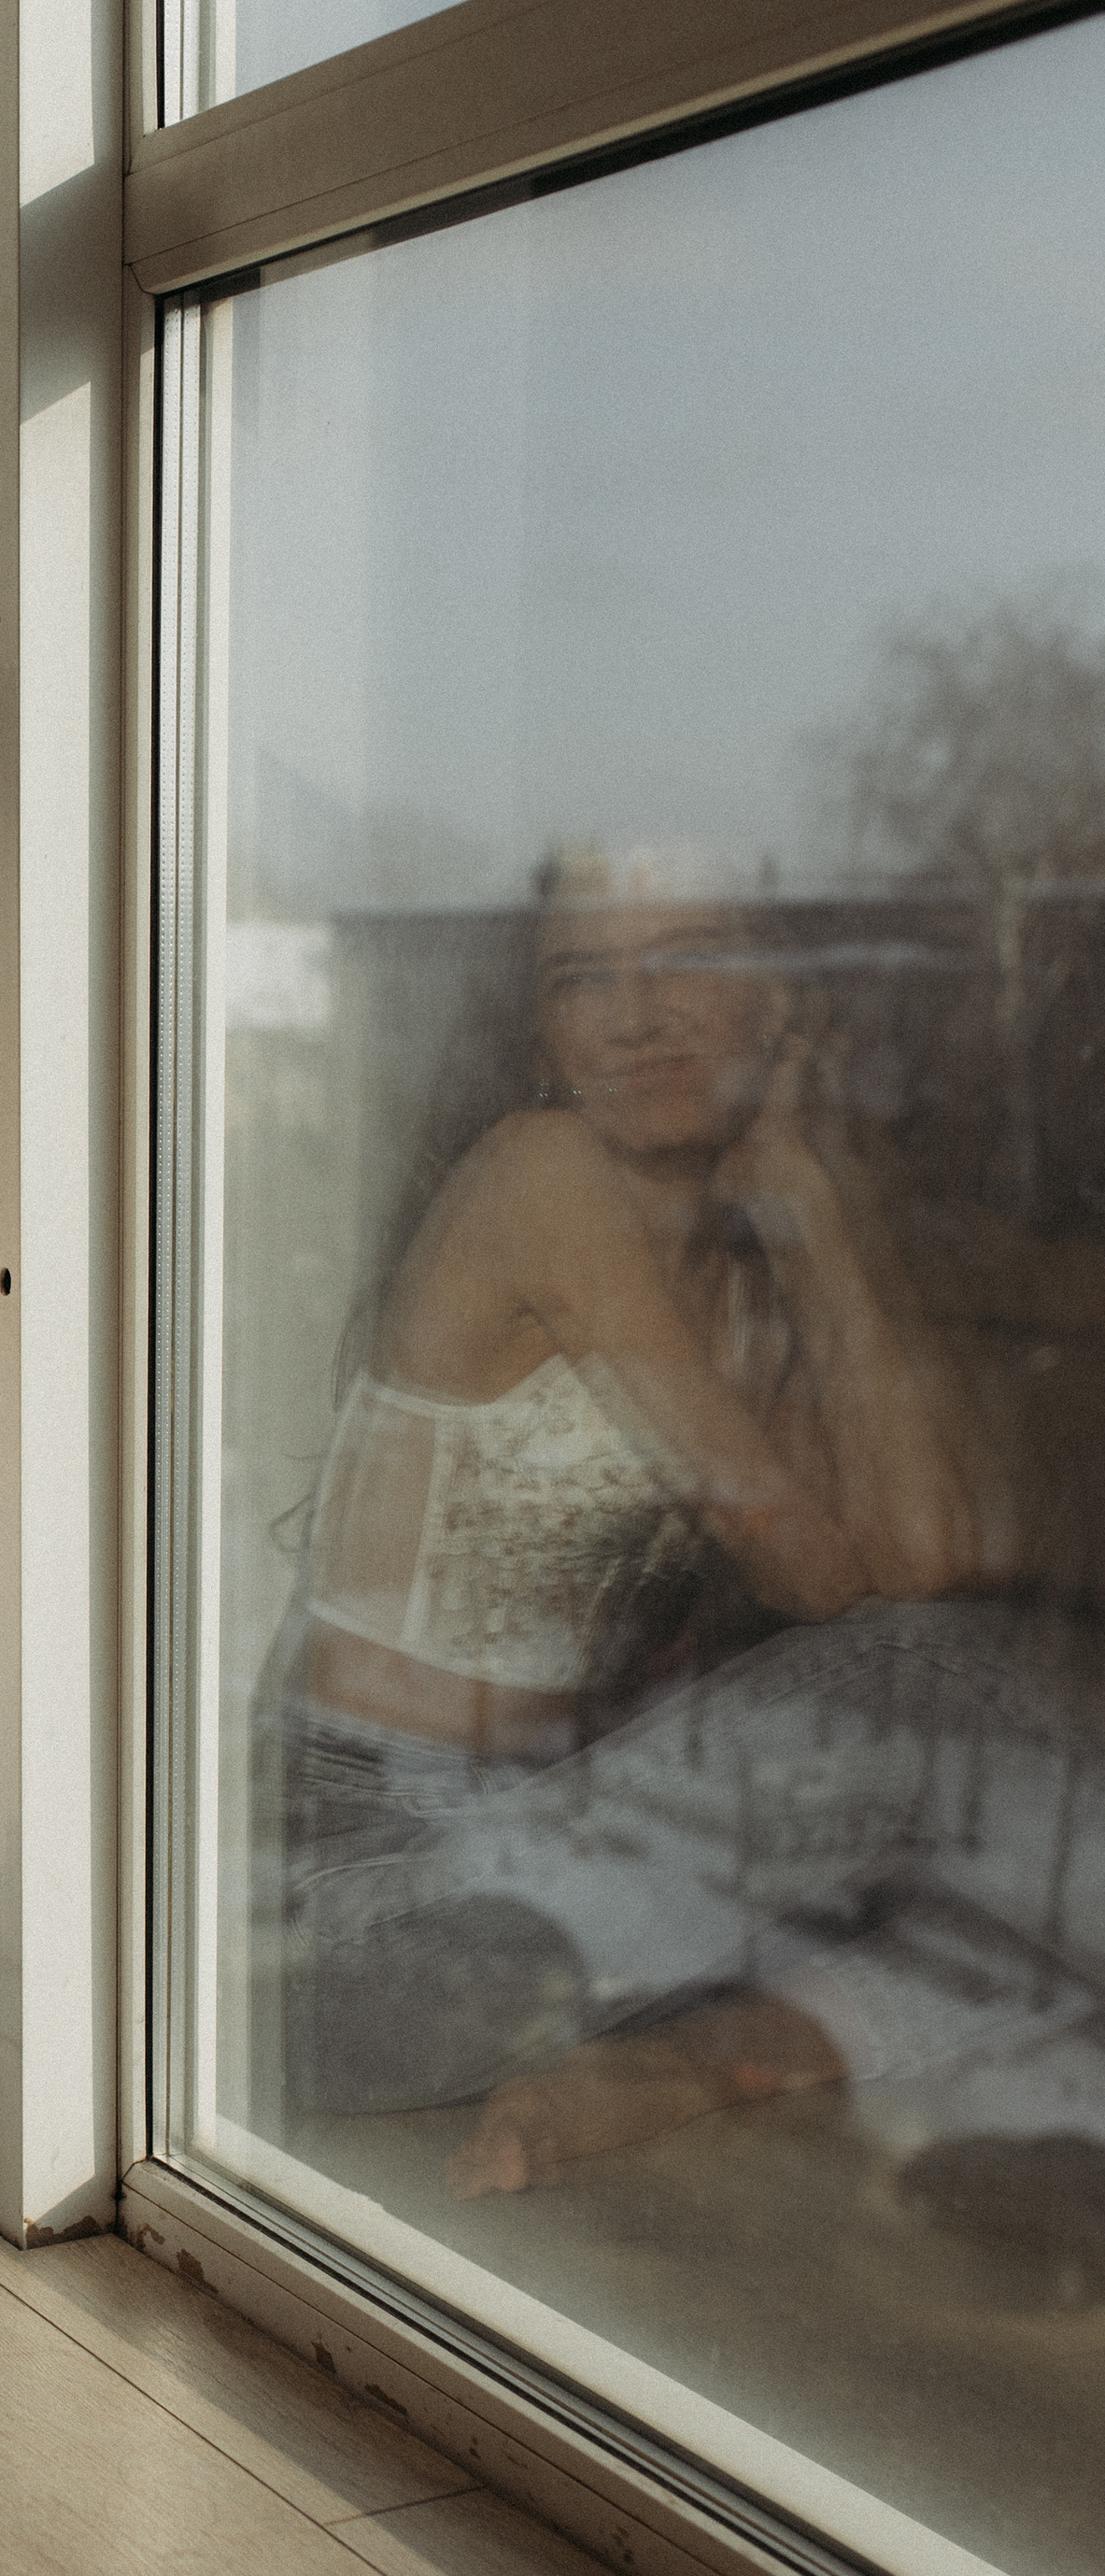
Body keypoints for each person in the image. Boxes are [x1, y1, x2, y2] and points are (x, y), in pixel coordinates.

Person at [252, 871, 1064, 2192]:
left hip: (561, 1855)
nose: (634, 1018)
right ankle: (698, 2048)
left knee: (1054, 1849)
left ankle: (675, 2067)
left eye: (686, 959)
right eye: (584, 979)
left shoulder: (741, 1256)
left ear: (787, 1003)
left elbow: (928, 1554)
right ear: (541, 1035)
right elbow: (838, 1583)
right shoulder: (544, 1174)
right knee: (1000, 1757)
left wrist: (810, 1201)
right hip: (369, 1913)